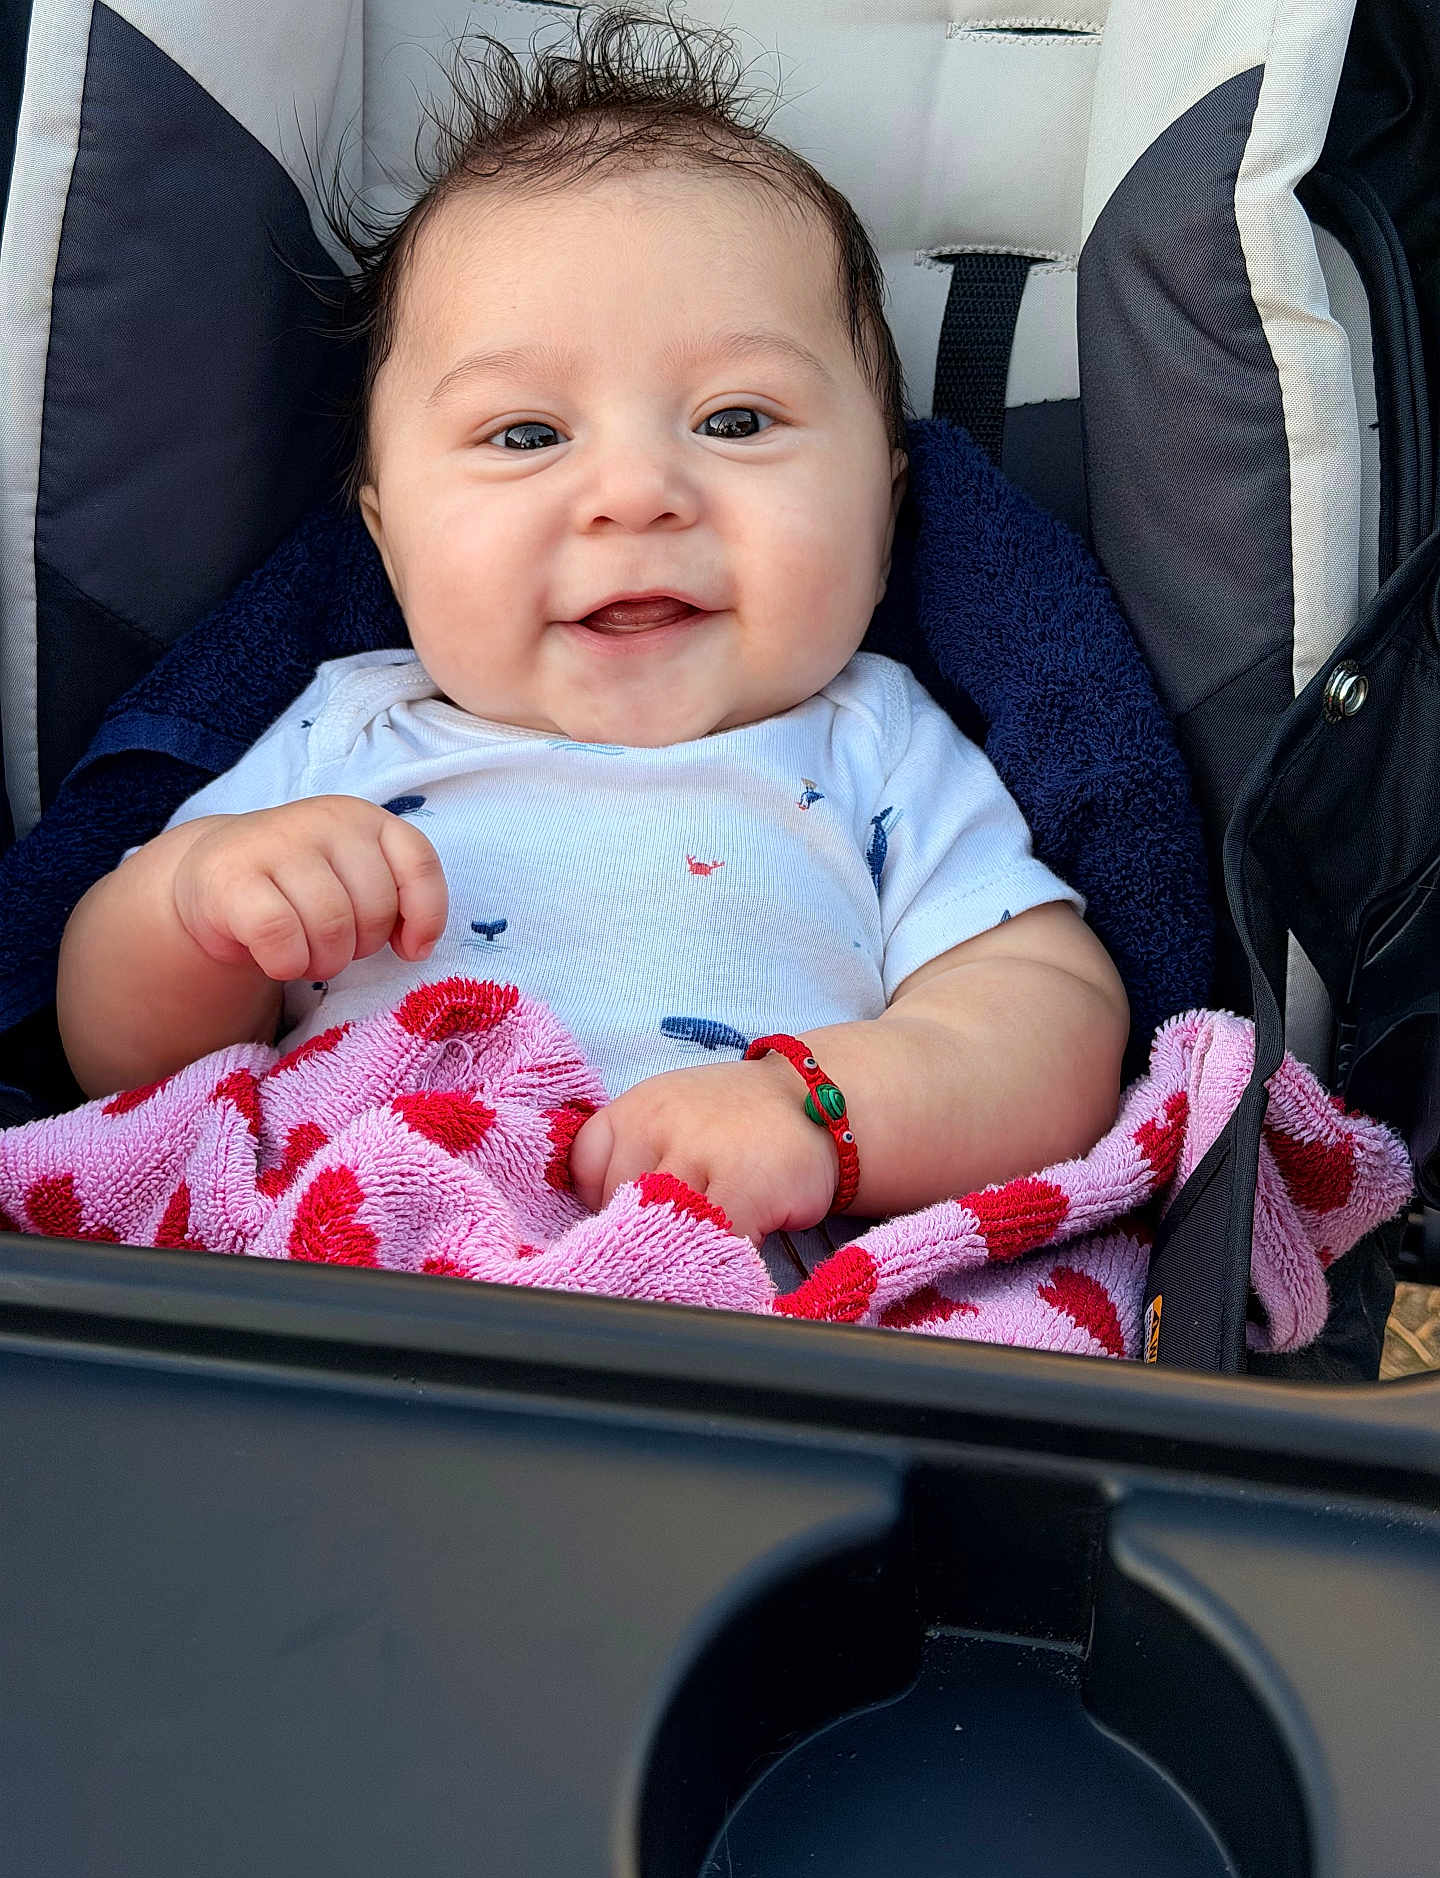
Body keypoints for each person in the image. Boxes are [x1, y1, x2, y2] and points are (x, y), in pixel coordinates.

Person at [54, 8, 1129, 1264]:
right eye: (526, 435)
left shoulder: (879, 746)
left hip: (720, 1314)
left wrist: (817, 1110)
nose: (636, 492)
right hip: (345, 1293)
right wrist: (202, 907)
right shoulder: (349, 731)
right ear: (389, 543)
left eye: (736, 420)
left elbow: (1052, 1026)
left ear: (886, 513)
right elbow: (123, 1063)